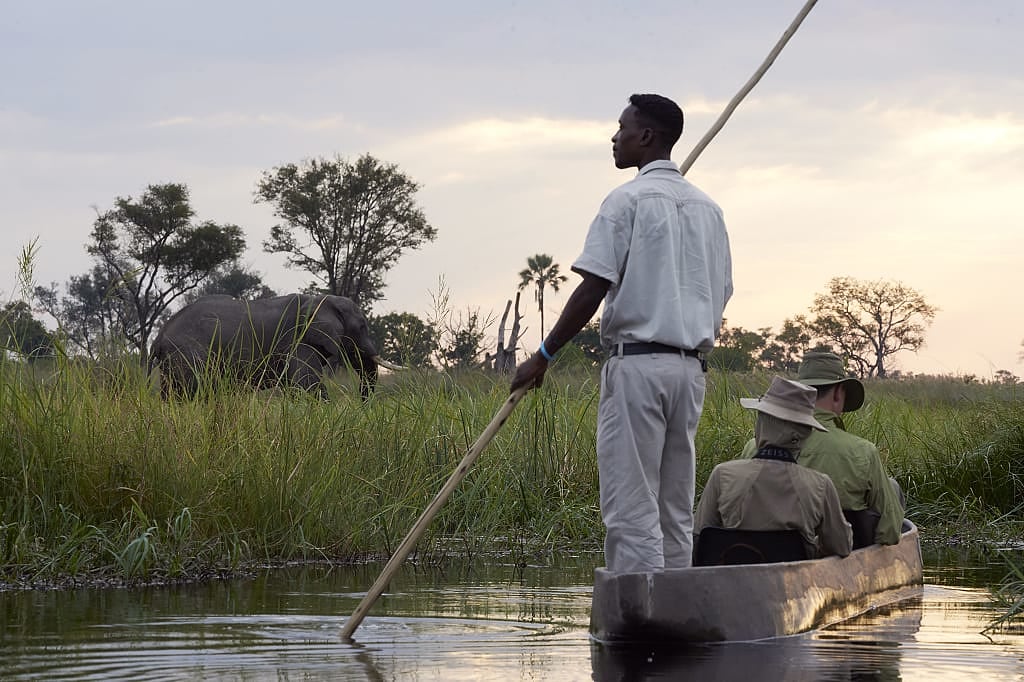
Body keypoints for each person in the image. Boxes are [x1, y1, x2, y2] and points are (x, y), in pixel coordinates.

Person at [511, 93, 733, 573]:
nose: (615, 137)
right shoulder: (708, 210)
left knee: (632, 504)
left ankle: (642, 618)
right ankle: (677, 605)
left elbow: (593, 288)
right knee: (674, 505)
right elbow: (722, 292)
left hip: (638, 368)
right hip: (690, 371)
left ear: (647, 136)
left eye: (622, 128)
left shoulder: (625, 201)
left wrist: (543, 355)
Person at [740, 350, 904, 546]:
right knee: (892, 487)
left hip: (762, 549)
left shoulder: (753, 447)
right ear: (837, 393)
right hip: (841, 552)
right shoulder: (863, 452)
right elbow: (890, 532)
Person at [694, 376, 853, 559]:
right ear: (805, 433)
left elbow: (700, 539)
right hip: (793, 584)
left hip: (731, 582)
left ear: (762, 424)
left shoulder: (723, 475)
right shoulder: (820, 486)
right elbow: (842, 546)